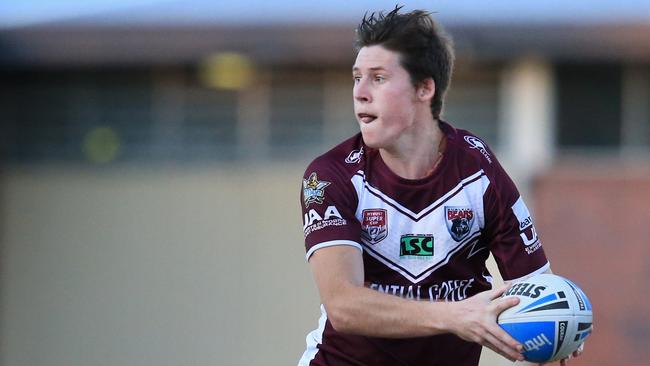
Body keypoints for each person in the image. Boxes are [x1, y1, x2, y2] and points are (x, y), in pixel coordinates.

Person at [298, 6, 583, 366]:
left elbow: (537, 295)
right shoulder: (330, 175)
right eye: (357, 77)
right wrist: (456, 316)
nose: (360, 92)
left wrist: (557, 331)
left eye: (378, 78)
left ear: (424, 88)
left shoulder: (479, 173)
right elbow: (344, 306)